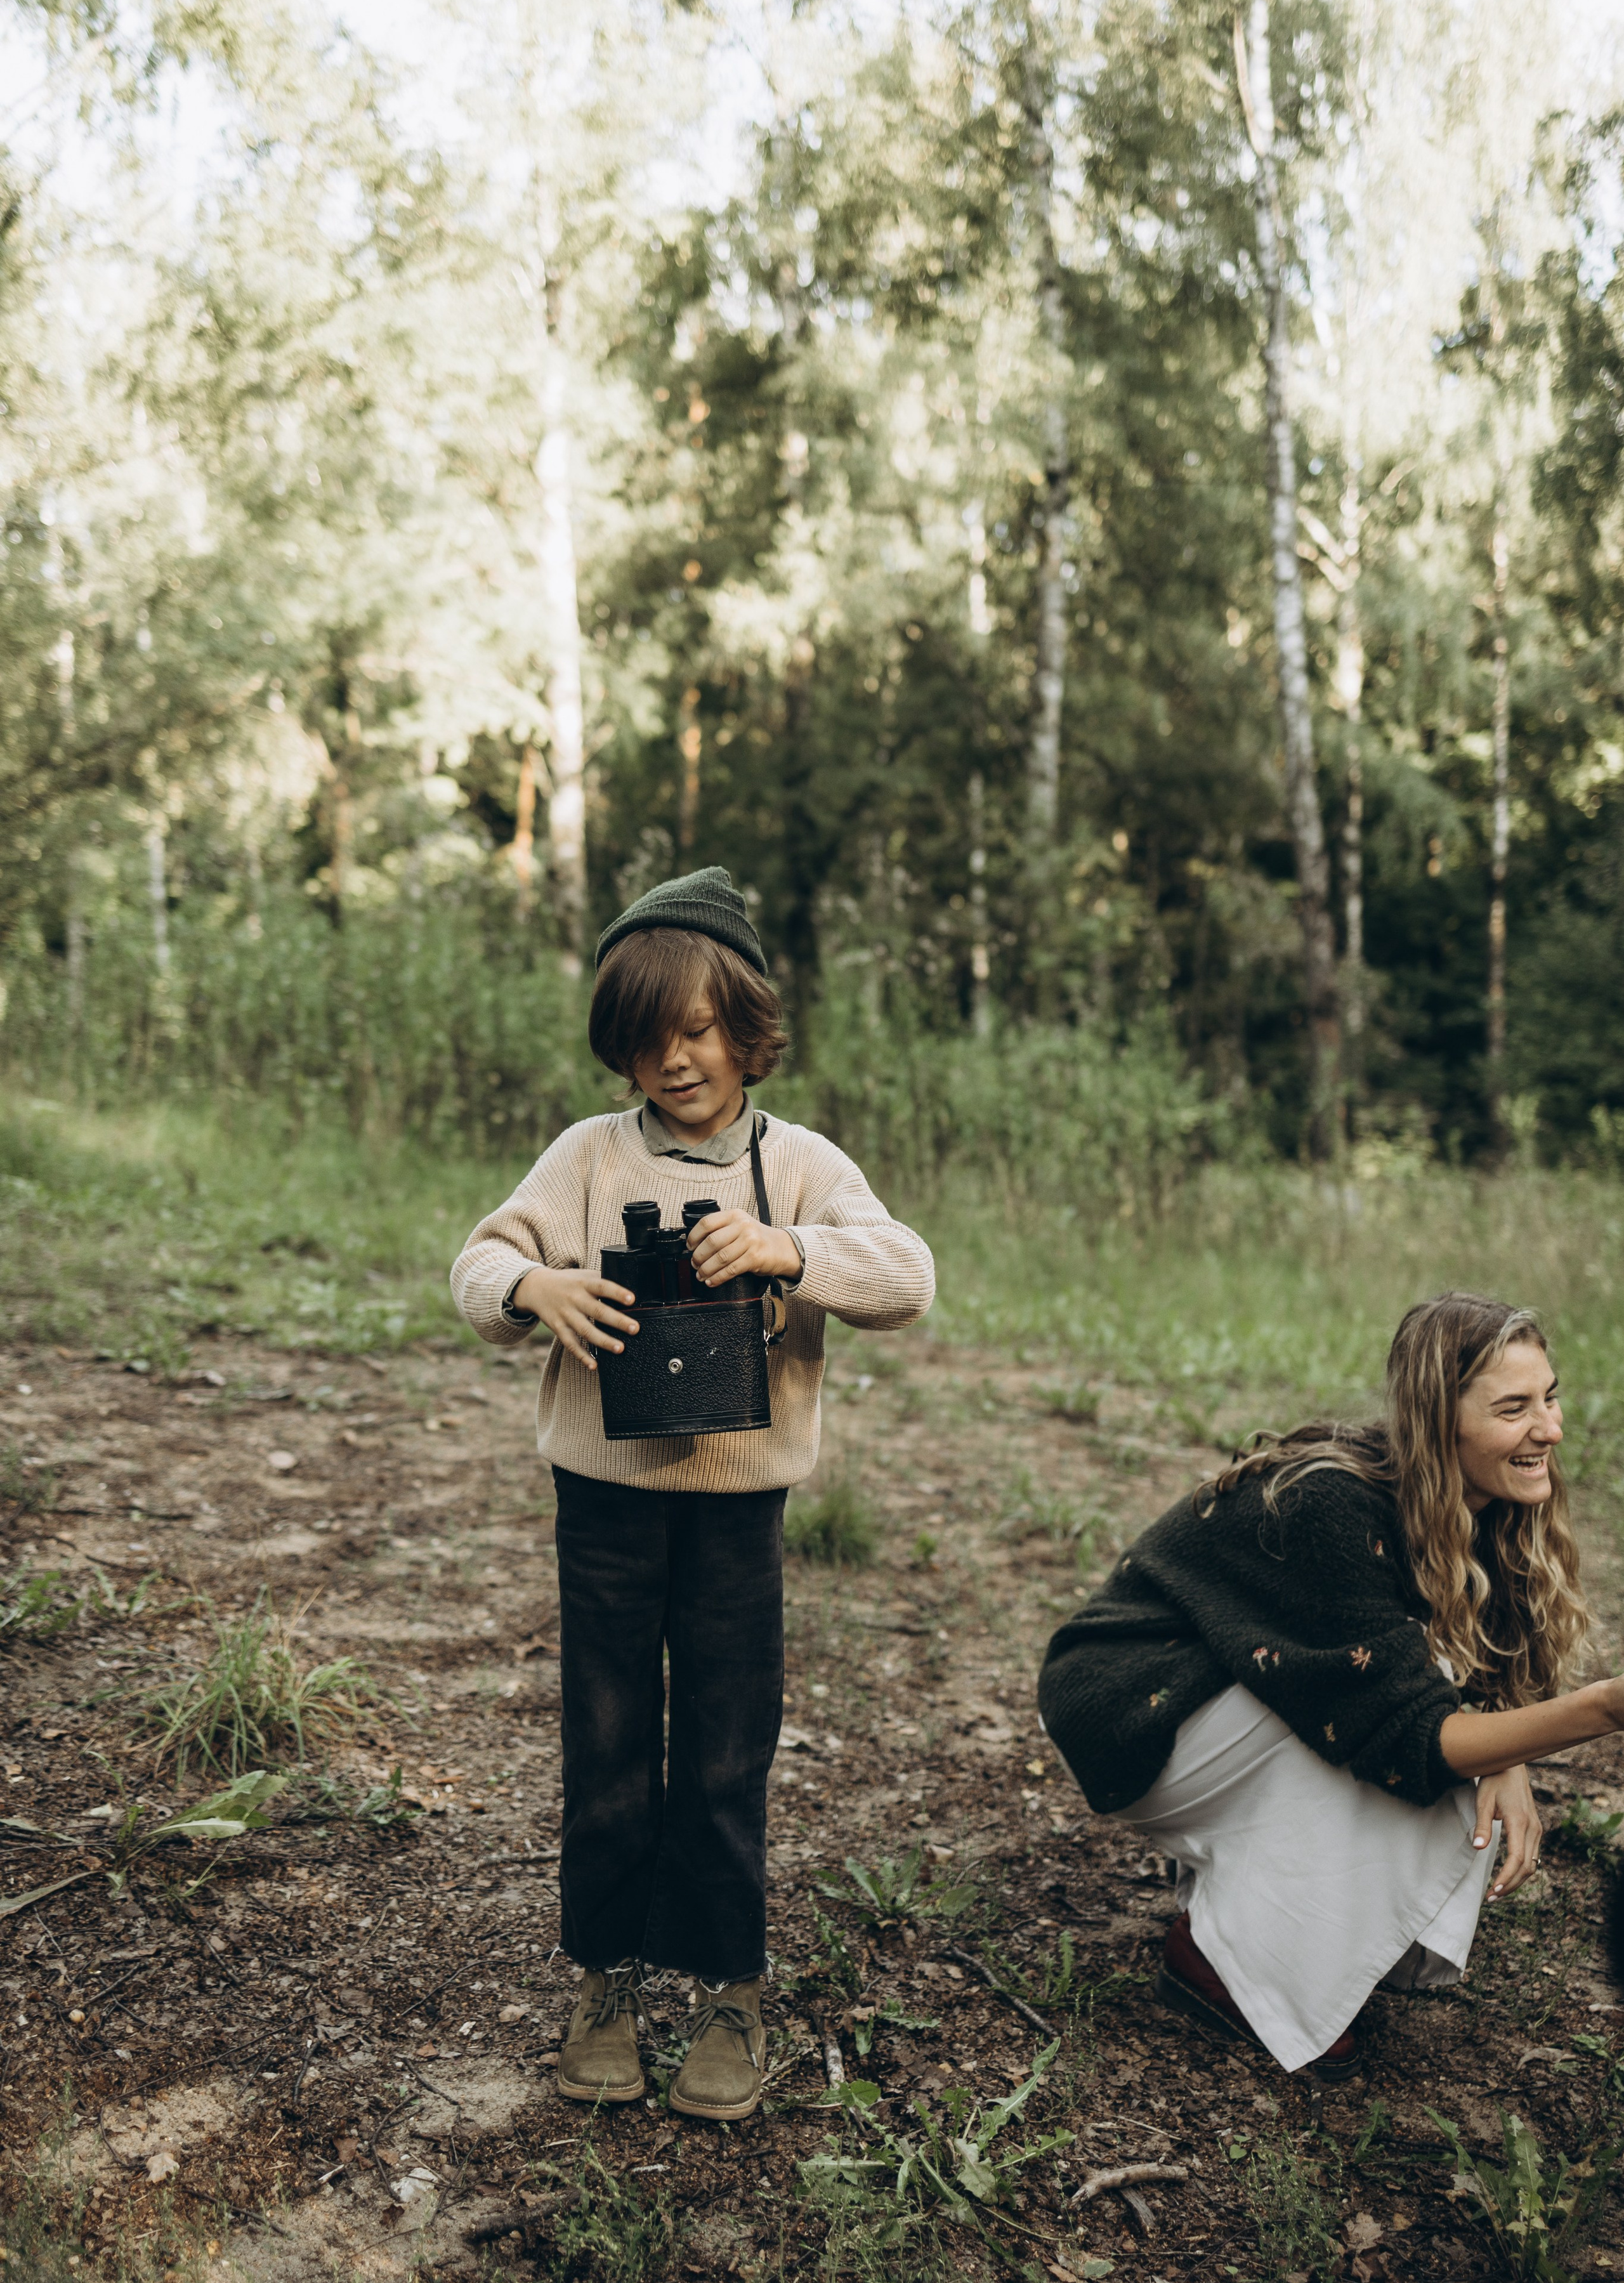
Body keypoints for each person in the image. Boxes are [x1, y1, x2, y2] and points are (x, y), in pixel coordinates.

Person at [450, 866, 934, 2121]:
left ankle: (728, 1985)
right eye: (647, 1038)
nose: (675, 1061)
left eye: (699, 1031)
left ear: (745, 1028)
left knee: (724, 1742)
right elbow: (477, 1260)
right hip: (602, 1499)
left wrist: (790, 1251)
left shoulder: (802, 1165)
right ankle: (605, 1977)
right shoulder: (586, 1157)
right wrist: (531, 1290)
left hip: (738, 1509)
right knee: (606, 1736)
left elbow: (907, 1277)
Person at [1038, 1290, 1613, 2081]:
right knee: (1395, 1746)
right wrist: (1605, 1708)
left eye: (1548, 1398)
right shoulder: (1331, 1504)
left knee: (1436, 1734)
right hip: (1133, 1705)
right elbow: (1412, 1735)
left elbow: (1472, 1688)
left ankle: (1268, 1921)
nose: (1547, 1429)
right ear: (1434, 1420)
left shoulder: (1495, 1507)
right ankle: (1222, 1962)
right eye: (1513, 1408)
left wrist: (1506, 1755)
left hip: (1220, 1692)